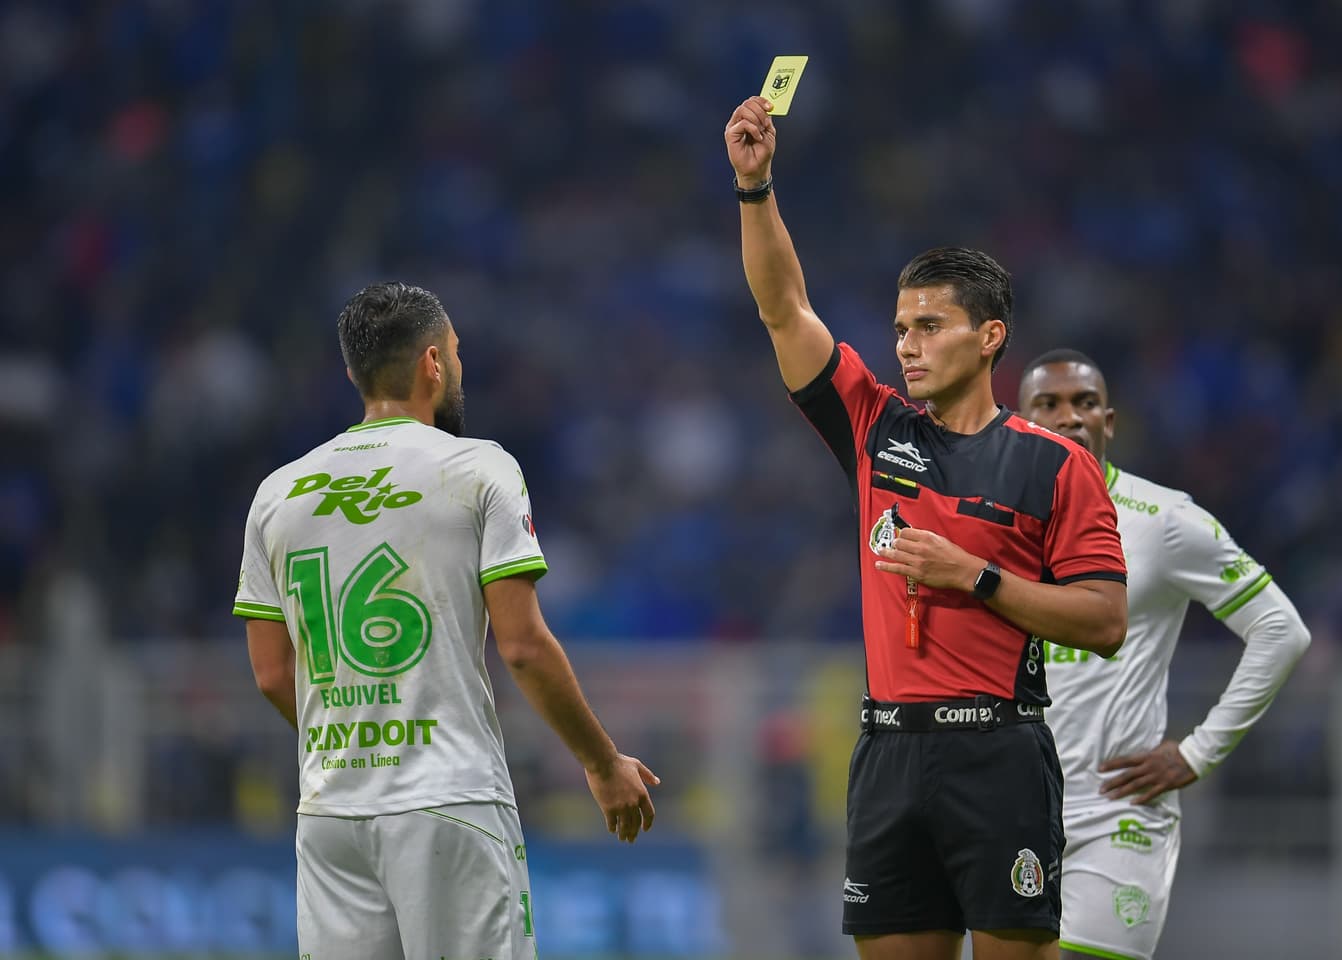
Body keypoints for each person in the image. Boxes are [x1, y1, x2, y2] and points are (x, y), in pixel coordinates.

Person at [726, 96, 1129, 960]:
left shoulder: (1058, 465)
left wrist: (973, 575)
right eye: (901, 327)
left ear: (990, 338)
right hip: (888, 754)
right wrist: (755, 189)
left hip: (1001, 754)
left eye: (931, 327)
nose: (908, 345)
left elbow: (1103, 622)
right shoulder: (875, 428)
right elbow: (784, 309)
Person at [233, 281, 660, 960]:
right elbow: (521, 646)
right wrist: (601, 761)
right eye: (455, 353)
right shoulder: (479, 468)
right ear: (433, 363)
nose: (457, 366)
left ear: (353, 374)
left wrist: (358, 736)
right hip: (449, 799)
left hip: (332, 813)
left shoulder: (278, 493)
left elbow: (269, 672)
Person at [1017, 348, 1312, 960]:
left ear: (1110, 421)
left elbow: (1282, 630)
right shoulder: (995, 526)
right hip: (1010, 810)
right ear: (1019, 423)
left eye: (1085, 402)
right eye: (1048, 404)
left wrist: (1199, 752)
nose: (1069, 416)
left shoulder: (1164, 520)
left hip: (1117, 812)